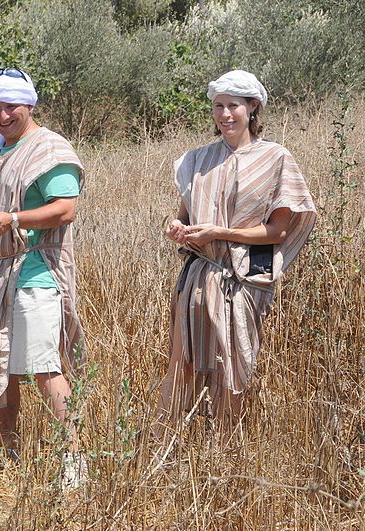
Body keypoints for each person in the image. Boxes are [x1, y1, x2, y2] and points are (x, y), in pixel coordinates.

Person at [156, 70, 316, 433]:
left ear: (252, 107)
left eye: (233, 106)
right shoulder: (196, 161)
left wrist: (220, 232)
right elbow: (180, 214)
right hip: (199, 273)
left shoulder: (276, 158)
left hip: (248, 277)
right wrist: (177, 228)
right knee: (182, 363)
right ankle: (166, 442)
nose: (225, 114)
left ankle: (226, 448)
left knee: (234, 366)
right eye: (218, 106)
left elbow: (278, 230)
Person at [0, 67, 87, 489]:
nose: (2, 114)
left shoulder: (50, 149)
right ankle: (8, 451)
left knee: (43, 368)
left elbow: (65, 208)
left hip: (35, 274)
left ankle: (74, 460)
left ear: (29, 105)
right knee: (0, 366)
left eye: (10, 105)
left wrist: (15, 218)